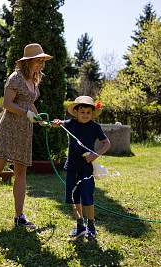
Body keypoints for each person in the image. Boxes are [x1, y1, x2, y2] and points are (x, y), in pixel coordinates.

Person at [0, 43, 53, 229]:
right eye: (38, 60)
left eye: (42, 60)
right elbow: (7, 103)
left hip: (24, 130)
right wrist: (26, 113)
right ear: (28, 61)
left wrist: (42, 120)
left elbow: (30, 105)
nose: (41, 64)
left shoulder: (34, 80)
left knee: (21, 172)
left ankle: (19, 217)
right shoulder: (15, 77)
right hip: (8, 128)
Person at [52, 96, 111, 238]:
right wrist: (56, 123)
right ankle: (80, 225)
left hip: (86, 169)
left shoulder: (95, 127)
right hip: (72, 168)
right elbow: (59, 123)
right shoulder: (71, 124)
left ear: (92, 113)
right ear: (76, 112)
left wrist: (94, 155)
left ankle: (91, 226)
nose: (85, 115)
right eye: (82, 112)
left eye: (88, 112)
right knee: (74, 198)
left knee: (87, 198)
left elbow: (107, 143)